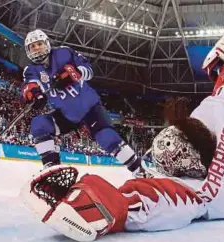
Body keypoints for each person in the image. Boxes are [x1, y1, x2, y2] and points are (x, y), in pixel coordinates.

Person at [20, 29, 224, 242]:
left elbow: (146, 200)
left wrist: (102, 205)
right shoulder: (212, 125)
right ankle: (51, 162)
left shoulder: (199, 193)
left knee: (109, 139)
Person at [21, 29, 142, 175]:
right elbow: (29, 86)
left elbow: (88, 69)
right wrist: (34, 95)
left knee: (106, 137)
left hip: (90, 108)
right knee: (39, 124)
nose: (37, 48)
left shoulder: (63, 53)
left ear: (46, 43)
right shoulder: (31, 69)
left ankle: (139, 170)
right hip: (67, 116)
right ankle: (52, 170)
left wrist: (73, 74)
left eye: (39, 44)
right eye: (32, 46)